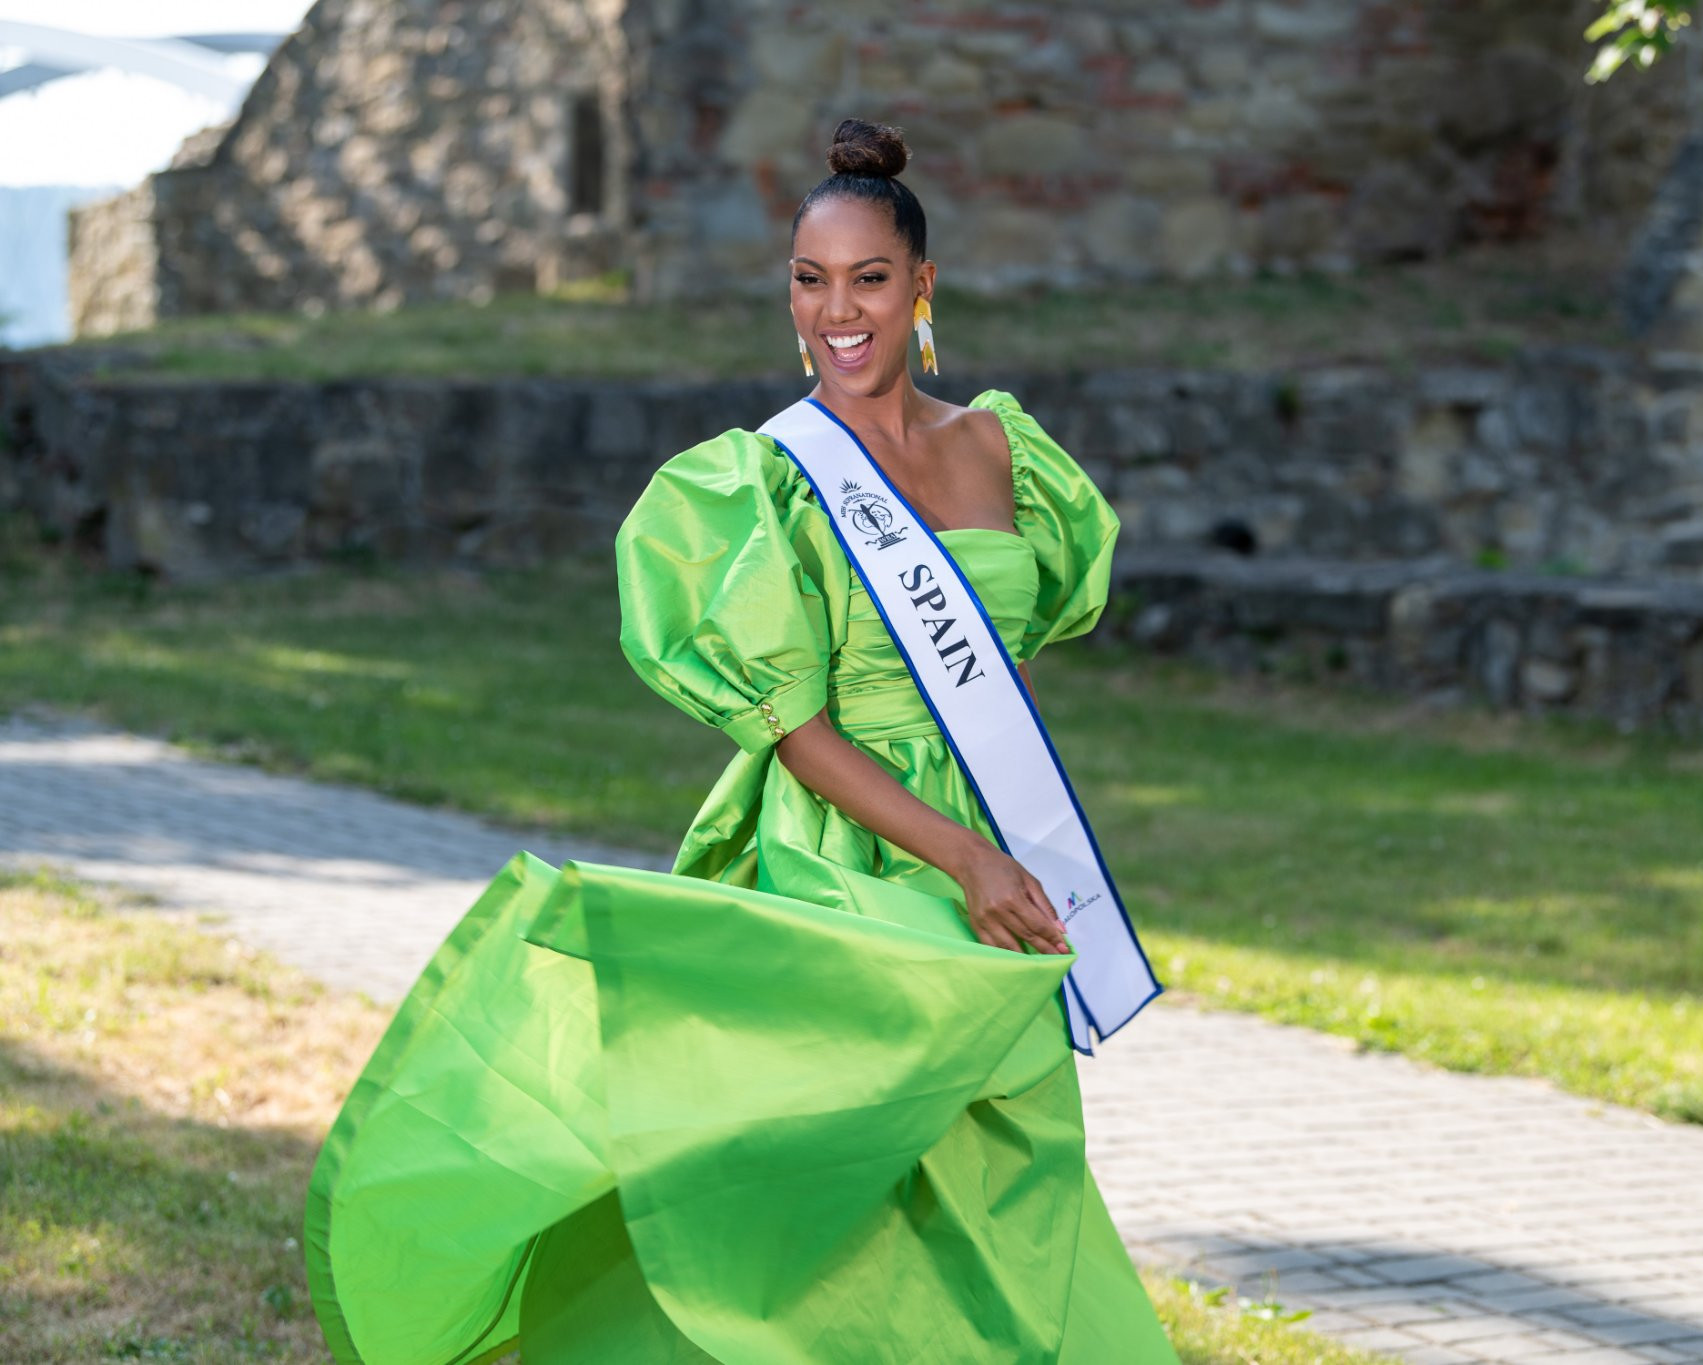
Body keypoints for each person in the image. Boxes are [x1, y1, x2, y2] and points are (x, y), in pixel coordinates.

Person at [302, 117, 1181, 1364]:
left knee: (999, 1172)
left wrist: (1007, 842)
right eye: (809, 281)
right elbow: (799, 731)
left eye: (869, 279)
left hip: (989, 837)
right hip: (844, 850)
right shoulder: (759, 483)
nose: (839, 312)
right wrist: (963, 862)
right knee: (817, 1177)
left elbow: (1005, 674)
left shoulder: (998, 451)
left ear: (919, 287)